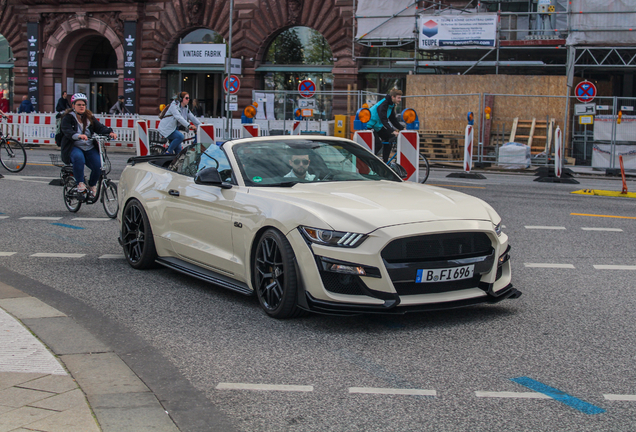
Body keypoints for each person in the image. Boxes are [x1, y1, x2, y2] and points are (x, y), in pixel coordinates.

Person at [60, 93, 117, 197]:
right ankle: (80, 183)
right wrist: (78, 135)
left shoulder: (89, 117)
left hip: (89, 146)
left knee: (99, 165)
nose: (81, 106)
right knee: (78, 158)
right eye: (79, 104)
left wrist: (110, 132)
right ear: (73, 105)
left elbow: (99, 127)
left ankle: (91, 185)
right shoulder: (68, 118)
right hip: (74, 146)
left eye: (83, 104)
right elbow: (66, 130)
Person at [366, 88, 404, 162]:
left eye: (400, 98)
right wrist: (392, 130)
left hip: (377, 126)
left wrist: (403, 129)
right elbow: (384, 120)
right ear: (393, 97)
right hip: (369, 125)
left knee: (390, 137)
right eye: (398, 98)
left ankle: (385, 161)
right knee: (378, 144)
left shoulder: (391, 105)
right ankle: (369, 161)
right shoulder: (384, 104)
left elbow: (393, 119)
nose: (400, 100)